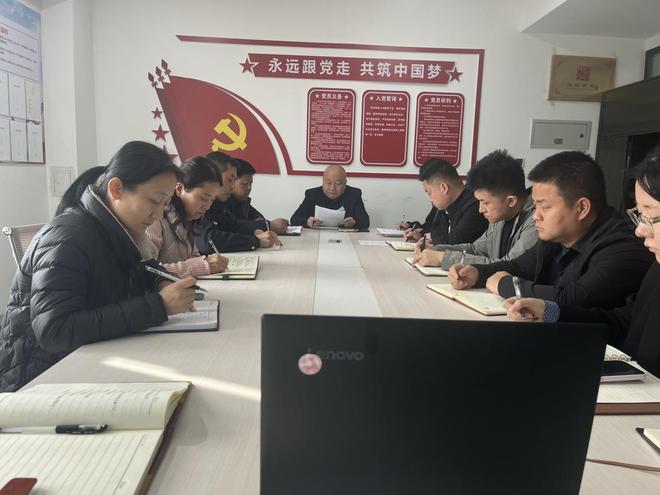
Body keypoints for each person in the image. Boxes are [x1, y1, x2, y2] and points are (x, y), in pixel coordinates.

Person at [0, 141, 197, 392]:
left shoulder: (119, 231)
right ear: (117, 189)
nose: (158, 215)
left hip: (93, 359)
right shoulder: (68, 238)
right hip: (39, 378)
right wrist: (158, 305)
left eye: (165, 204)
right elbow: (55, 331)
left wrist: (162, 280)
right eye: (154, 201)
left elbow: (146, 269)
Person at [505, 148, 660, 376]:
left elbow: (576, 296)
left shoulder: (624, 247)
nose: (640, 230)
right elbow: (622, 323)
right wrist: (549, 312)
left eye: (652, 217)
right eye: (640, 216)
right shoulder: (657, 270)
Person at [448, 151, 652, 309]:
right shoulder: (556, 238)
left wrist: (507, 285)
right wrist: (476, 272)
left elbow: (574, 298)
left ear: (581, 208)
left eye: (544, 207)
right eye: (535, 206)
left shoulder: (624, 247)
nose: (536, 215)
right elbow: (518, 266)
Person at [413, 150, 537, 269]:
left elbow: (510, 265)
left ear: (511, 201)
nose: (480, 210)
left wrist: (443, 258)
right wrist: (436, 249)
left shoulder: (536, 221)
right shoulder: (501, 215)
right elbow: (476, 249)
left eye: (485, 202)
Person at [146, 156, 229, 277]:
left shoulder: (188, 218)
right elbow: (148, 271)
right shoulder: (155, 220)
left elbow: (192, 257)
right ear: (180, 188)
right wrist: (203, 265)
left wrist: (206, 262)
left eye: (212, 200)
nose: (207, 206)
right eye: (203, 198)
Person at [200, 152, 281, 252]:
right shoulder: (199, 206)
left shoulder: (219, 204)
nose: (232, 186)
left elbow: (233, 226)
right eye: (230, 180)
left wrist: (254, 232)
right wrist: (256, 241)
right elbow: (208, 242)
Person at [406, 157, 487, 244]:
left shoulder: (475, 206)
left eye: (429, 193)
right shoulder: (445, 205)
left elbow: (458, 241)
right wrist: (420, 234)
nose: (430, 199)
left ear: (444, 188)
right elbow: (433, 230)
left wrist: (433, 238)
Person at [290, 165, 370, 229]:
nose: (332, 188)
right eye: (328, 183)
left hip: (346, 238)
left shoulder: (354, 195)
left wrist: (354, 222)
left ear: (345, 183)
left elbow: (365, 222)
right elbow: (294, 219)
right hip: (316, 237)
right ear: (323, 181)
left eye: (338, 184)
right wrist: (307, 222)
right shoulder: (312, 195)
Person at [226, 158, 289, 235]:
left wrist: (269, 225)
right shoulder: (222, 202)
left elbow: (258, 218)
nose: (249, 188)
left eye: (251, 183)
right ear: (231, 181)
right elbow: (234, 226)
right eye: (244, 184)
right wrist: (269, 226)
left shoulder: (242, 201)